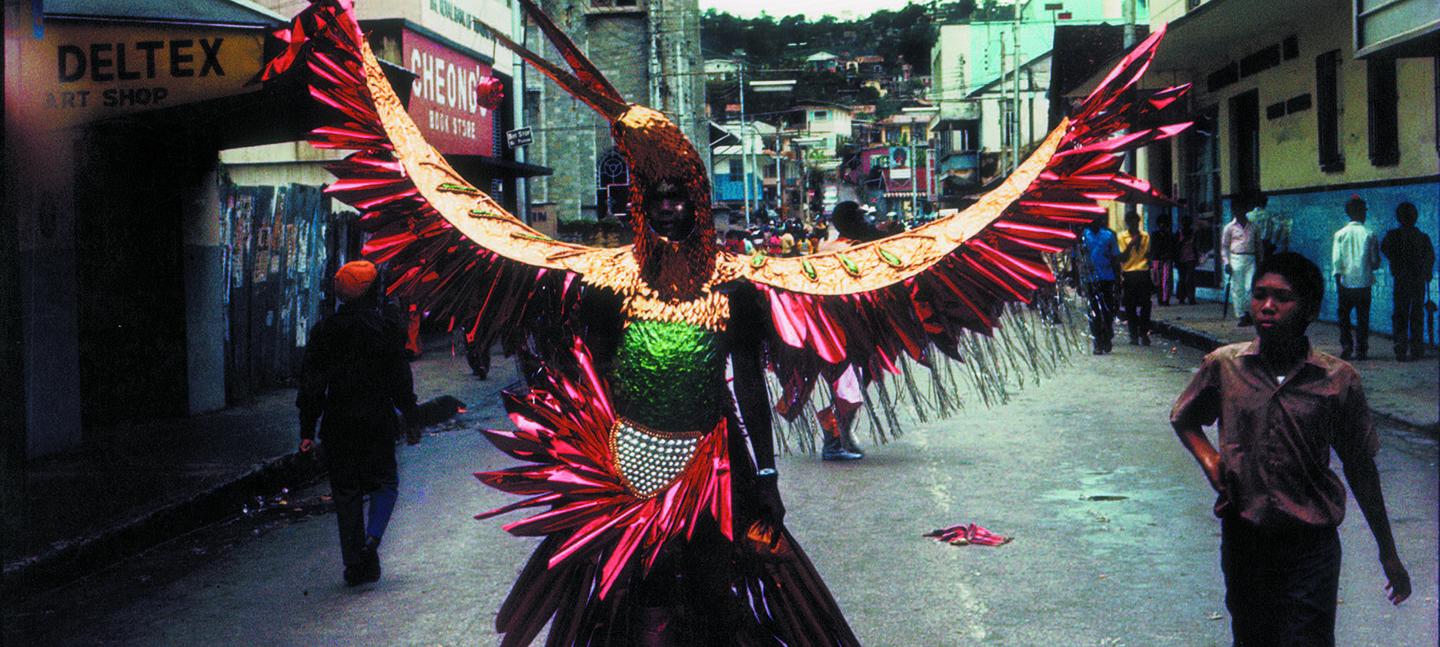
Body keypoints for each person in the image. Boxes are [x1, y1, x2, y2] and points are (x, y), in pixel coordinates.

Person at [1171, 252, 1411, 646]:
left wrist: (1388, 552)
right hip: (1245, 538)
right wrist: (1209, 459)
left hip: (1310, 546)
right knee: (1252, 637)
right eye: (1260, 295)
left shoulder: (1336, 380)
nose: (1267, 307)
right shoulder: (1225, 367)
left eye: (1282, 298)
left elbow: (1360, 467)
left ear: (1311, 310)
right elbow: (1184, 417)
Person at [298, 260, 420, 586]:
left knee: (346, 493)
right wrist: (411, 419)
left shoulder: (324, 332)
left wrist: (307, 431)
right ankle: (373, 538)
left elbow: (311, 386)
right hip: (377, 422)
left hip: (338, 425)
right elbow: (400, 381)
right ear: (370, 292)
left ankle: (355, 563)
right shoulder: (385, 330)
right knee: (385, 484)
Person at [1380, 202, 1434, 361]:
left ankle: (1400, 347)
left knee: (1400, 314)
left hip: (1401, 280)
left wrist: (1394, 262)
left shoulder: (1392, 236)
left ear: (1398, 217)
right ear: (1415, 217)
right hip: (1418, 281)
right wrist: (1426, 272)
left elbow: (1385, 248)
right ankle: (1417, 348)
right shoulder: (1423, 237)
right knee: (1417, 314)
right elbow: (1430, 258)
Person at [1332, 195, 1382, 360]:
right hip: (1364, 283)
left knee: (1344, 317)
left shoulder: (1340, 234)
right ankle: (1362, 349)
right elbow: (1375, 263)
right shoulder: (1370, 234)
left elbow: (1336, 262)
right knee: (1363, 317)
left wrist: (1338, 282)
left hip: (1345, 283)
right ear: (1361, 212)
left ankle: (1346, 346)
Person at [1082, 218, 1122, 354]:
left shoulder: (1109, 236)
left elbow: (1115, 258)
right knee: (1093, 312)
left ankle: (1107, 335)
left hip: (1107, 277)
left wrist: (1118, 279)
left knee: (1107, 309)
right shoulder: (1083, 236)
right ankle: (1097, 341)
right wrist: (1077, 279)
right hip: (1089, 279)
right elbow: (1077, 259)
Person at [1117, 212, 1153, 345]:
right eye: (1131, 223)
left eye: (1136, 223)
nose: (1134, 225)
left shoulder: (1145, 236)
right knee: (1130, 305)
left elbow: (1148, 254)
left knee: (1146, 304)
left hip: (1143, 273)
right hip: (1129, 273)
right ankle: (1133, 334)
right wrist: (1131, 244)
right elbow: (1123, 257)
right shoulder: (1122, 237)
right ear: (1128, 224)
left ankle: (1144, 333)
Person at [1221, 201, 1259, 325]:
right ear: (1234, 211)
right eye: (1237, 209)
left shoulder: (1254, 226)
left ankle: (1249, 312)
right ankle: (1242, 315)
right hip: (1236, 258)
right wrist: (1226, 263)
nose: (1239, 211)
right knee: (1238, 288)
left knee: (1250, 287)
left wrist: (1261, 259)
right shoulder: (1229, 228)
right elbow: (1224, 247)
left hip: (1250, 258)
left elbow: (1259, 245)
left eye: (1241, 209)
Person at [1149, 212, 1177, 306]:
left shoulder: (1169, 235)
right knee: (1158, 280)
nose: (1162, 225)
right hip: (1157, 259)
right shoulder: (1155, 235)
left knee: (1166, 279)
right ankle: (1160, 297)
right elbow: (1153, 248)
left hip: (1166, 259)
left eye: (1164, 224)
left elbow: (1172, 247)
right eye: (1161, 223)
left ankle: (1165, 299)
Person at [1175, 211, 1199, 305]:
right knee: (1182, 279)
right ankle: (1182, 297)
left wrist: (1196, 258)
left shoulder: (1193, 233)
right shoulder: (1179, 233)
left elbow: (1195, 247)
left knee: (1190, 279)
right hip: (1181, 258)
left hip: (1191, 258)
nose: (1186, 225)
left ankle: (1191, 297)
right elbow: (1176, 247)